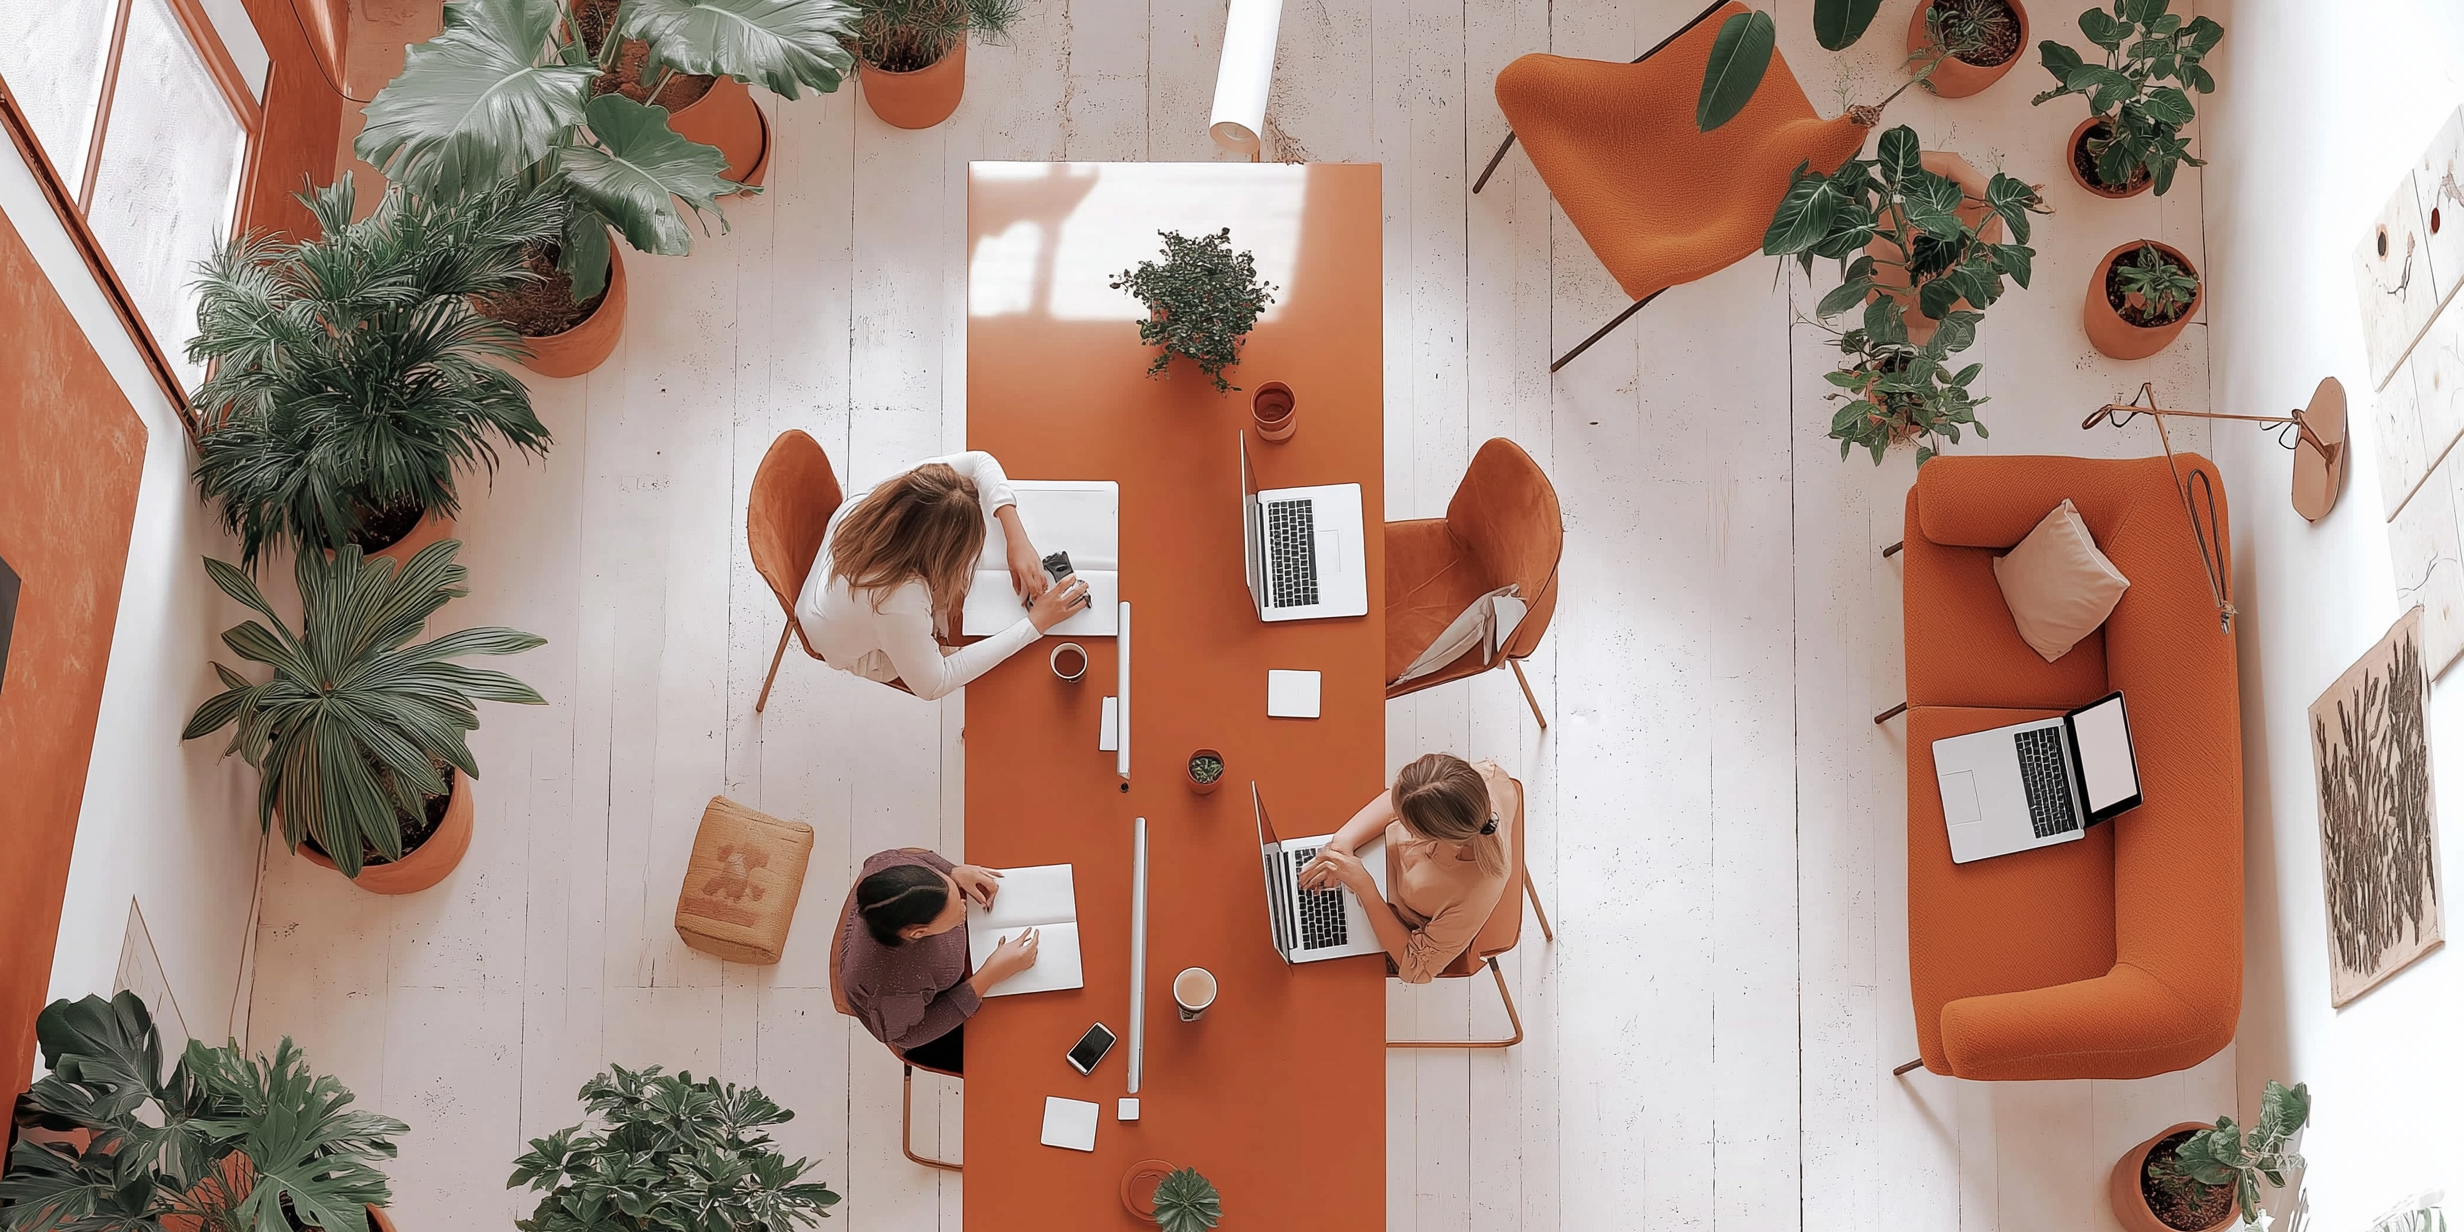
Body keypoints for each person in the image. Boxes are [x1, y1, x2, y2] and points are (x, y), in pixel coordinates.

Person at [795, 451, 1089, 701]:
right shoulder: (897, 600)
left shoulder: (904, 492)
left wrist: (1016, 537)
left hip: (833, 581)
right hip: (847, 644)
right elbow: (933, 684)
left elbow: (979, 461)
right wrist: (1036, 623)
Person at [1297, 753, 1517, 983]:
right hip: (1371, 861)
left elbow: (1417, 968)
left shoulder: (1471, 894)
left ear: (1430, 837)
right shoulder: (1467, 785)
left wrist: (1366, 890)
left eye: (1405, 821)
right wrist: (1341, 844)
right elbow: (1400, 797)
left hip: (1382, 907)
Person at [839, 848, 1041, 1074]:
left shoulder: (890, 868)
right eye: (957, 909)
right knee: (1024, 1052)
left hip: (948, 968)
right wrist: (989, 976)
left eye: (957, 894)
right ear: (918, 932)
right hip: (927, 1018)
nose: (965, 906)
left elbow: (883, 857)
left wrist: (953, 872)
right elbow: (906, 1036)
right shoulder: (889, 988)